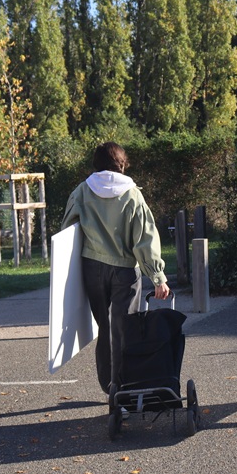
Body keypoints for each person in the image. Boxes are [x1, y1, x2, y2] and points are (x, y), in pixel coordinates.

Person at [61, 142, 171, 395]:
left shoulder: (82, 191)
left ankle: (109, 385)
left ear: (96, 164)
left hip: (92, 267)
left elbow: (67, 230)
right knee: (125, 328)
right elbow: (144, 238)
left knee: (105, 327)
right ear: (122, 164)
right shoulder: (132, 194)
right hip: (124, 270)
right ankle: (125, 383)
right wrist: (157, 277)